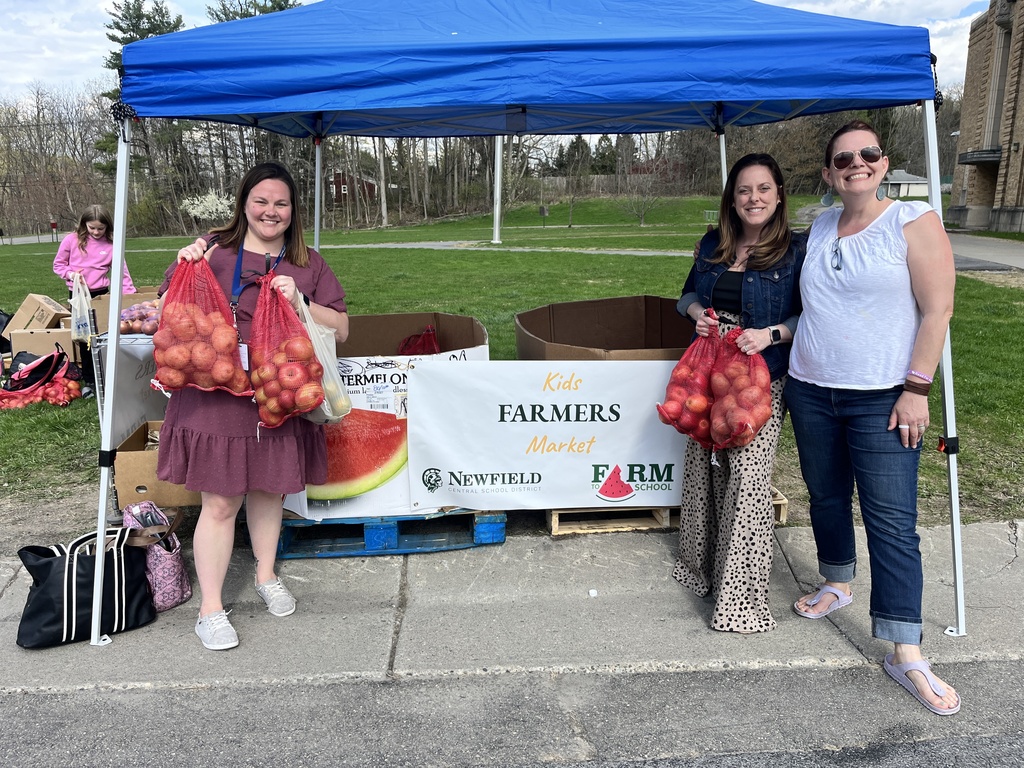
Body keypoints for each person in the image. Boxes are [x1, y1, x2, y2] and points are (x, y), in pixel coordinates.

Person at [785, 121, 959, 715]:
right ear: (830, 173)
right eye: (843, 158)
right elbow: (812, 306)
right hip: (811, 388)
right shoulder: (822, 224)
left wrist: (917, 389)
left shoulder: (915, 222)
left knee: (890, 519)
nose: (856, 163)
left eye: (868, 154)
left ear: (883, 164)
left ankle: (905, 650)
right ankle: (837, 581)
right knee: (827, 496)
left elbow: (937, 311)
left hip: (882, 397)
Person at [157, 161, 349, 651]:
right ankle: (211, 609)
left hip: (276, 391)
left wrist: (301, 303)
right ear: (244, 203)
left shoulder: (307, 262)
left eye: (281, 203)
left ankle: (265, 576)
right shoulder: (213, 250)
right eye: (261, 201)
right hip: (216, 393)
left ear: (292, 210)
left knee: (269, 491)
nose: (270, 211)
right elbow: (169, 309)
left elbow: (342, 327)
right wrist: (184, 265)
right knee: (221, 502)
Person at [672, 153, 805, 633]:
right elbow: (685, 296)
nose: (754, 198)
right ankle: (698, 568)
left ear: (779, 195)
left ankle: (740, 599)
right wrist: (696, 316)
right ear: (732, 197)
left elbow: (808, 315)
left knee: (747, 480)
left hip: (760, 377)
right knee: (702, 470)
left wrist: (771, 334)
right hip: (708, 372)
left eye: (764, 189)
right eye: (745, 190)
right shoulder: (713, 243)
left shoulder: (795, 251)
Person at [53, 205, 136, 299]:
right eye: (92, 228)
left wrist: (129, 294)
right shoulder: (71, 240)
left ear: (107, 227)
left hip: (101, 293)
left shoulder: (111, 244)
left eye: (100, 228)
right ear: (85, 224)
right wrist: (71, 275)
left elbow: (122, 271)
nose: (96, 232)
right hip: (77, 292)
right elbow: (58, 264)